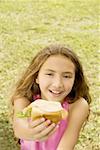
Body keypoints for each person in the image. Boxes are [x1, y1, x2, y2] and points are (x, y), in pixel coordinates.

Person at [11, 44, 91, 150]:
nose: (58, 84)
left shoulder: (78, 106)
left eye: (66, 76)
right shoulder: (24, 99)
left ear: (75, 80)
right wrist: (29, 131)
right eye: (49, 74)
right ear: (36, 77)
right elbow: (19, 126)